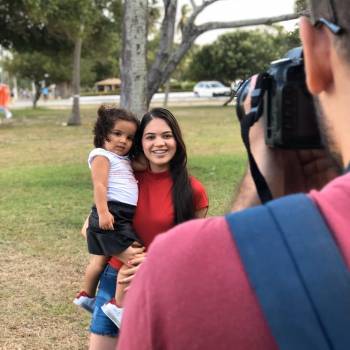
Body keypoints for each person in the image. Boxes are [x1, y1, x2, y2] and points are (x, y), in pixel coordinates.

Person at [117, 0, 350, 349]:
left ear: (315, 49)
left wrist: (262, 198)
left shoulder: (179, 270)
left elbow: (214, 286)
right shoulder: (127, 182)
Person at [88, 107, 209, 350]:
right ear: (140, 143)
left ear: (177, 140)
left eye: (166, 135)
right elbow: (89, 228)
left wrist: (149, 263)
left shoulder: (192, 190)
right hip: (116, 281)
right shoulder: (124, 179)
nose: (159, 143)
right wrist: (122, 252)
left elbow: (195, 252)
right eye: (150, 137)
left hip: (164, 286)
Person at [74, 105, 144, 324]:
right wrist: (103, 213)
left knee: (101, 260)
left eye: (130, 137)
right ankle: (117, 306)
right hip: (113, 214)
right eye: (117, 133)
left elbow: (144, 163)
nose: (123, 140)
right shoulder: (101, 156)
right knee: (135, 255)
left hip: (121, 214)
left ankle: (87, 297)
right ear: (104, 133)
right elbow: (100, 186)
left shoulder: (122, 159)